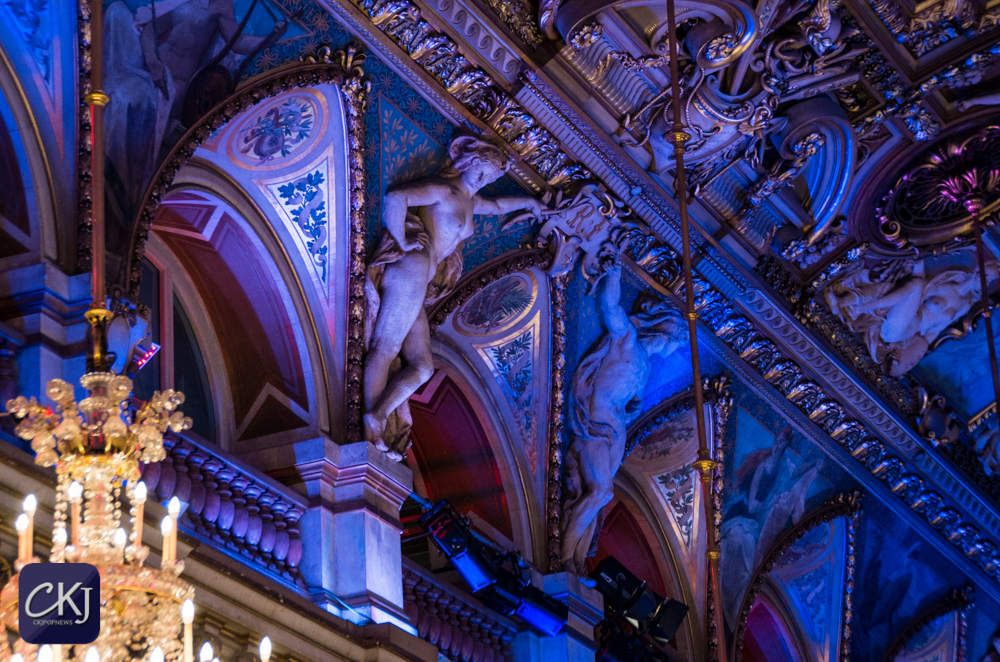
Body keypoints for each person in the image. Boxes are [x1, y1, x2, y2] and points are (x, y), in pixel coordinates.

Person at [363, 136, 542, 458]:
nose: (483, 179)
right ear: (467, 163)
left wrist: (530, 203)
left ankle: (378, 415)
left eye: (490, 177)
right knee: (385, 346)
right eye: (480, 172)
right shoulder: (444, 190)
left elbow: (498, 206)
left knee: (422, 368)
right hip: (412, 265)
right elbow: (396, 197)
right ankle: (367, 428)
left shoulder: (471, 202)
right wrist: (402, 241)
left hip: (423, 279)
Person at [561, 264, 686, 577]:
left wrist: (630, 410)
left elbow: (630, 401)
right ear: (667, 332)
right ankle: (562, 557)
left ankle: (577, 564)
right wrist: (615, 271)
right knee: (600, 491)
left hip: (616, 432)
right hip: (596, 426)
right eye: (677, 342)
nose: (675, 350)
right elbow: (610, 307)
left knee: (601, 498)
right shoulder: (627, 339)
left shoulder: (645, 365)